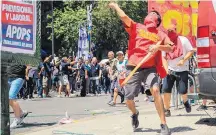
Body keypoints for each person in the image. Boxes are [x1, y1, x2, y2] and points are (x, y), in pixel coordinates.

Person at [109, 2, 173, 134]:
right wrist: (116, 6)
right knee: (128, 99)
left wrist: (158, 47)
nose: (151, 14)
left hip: (150, 68)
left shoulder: (161, 34)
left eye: (154, 14)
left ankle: (163, 124)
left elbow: (171, 47)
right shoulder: (137, 27)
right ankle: (135, 113)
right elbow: (125, 17)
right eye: (151, 13)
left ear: (157, 21)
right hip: (133, 67)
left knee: (155, 90)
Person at [162, 23, 195, 117]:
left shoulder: (183, 40)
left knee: (182, 91)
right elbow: (163, 57)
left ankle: (185, 102)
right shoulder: (165, 42)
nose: (170, 33)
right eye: (168, 32)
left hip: (182, 69)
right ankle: (167, 109)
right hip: (170, 70)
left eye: (172, 31)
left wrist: (183, 60)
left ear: (176, 31)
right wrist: (165, 69)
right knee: (165, 90)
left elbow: (191, 51)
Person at [8, 64, 29, 128]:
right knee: (7, 98)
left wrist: (26, 75)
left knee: (11, 96)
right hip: (7, 77)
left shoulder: (21, 56)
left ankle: (17, 119)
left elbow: (28, 66)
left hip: (18, 77)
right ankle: (21, 113)